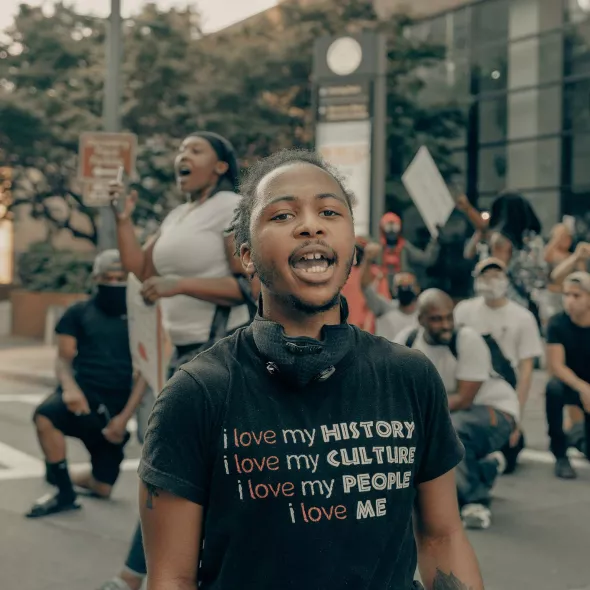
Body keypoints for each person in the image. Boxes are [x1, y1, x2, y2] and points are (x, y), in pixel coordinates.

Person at [138, 149, 483, 590]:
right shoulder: (197, 392)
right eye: (282, 216)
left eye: (328, 212)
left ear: (352, 249)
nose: (310, 225)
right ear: (246, 256)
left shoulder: (410, 376)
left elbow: (442, 536)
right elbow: (171, 577)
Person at [100, 131, 253, 590]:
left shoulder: (229, 207)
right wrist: (122, 220)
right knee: (175, 465)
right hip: (178, 352)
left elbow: (249, 285)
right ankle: (146, 573)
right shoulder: (177, 214)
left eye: (194, 150)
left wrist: (179, 285)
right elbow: (141, 272)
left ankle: (136, 575)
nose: (182, 156)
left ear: (221, 165)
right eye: (180, 151)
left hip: (220, 349)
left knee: (177, 465)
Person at [26, 250, 144, 518]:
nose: (114, 283)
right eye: (107, 277)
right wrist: (69, 388)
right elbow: (63, 360)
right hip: (83, 394)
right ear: (96, 278)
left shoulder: (140, 316)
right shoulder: (79, 312)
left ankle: (60, 473)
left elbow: (145, 373)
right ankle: (64, 492)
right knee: (45, 416)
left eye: (120, 277)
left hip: (113, 410)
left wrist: (123, 419)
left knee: (102, 488)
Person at [395, 290, 518, 530]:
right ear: (420, 320)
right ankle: (484, 468)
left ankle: (476, 501)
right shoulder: (406, 342)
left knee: (452, 429)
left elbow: (463, 399)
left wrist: (418, 416)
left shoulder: (466, 339)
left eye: (449, 317)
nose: (445, 325)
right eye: (436, 319)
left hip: (497, 411)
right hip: (448, 414)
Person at [454, 258, 543, 472]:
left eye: (496, 276)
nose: (490, 281)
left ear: (506, 279)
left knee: (510, 455)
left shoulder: (523, 317)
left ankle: (492, 460)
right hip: (468, 388)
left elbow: (526, 370)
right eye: (485, 276)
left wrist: (517, 419)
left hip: (502, 396)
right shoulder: (464, 311)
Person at [545, 271, 590, 479]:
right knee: (553, 388)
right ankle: (560, 453)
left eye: (577, 295)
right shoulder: (556, 323)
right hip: (571, 384)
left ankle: (578, 436)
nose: (570, 300)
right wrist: (584, 388)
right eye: (566, 294)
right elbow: (556, 365)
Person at [360, 241, 419, 341]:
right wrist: (368, 260)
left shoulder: (422, 314)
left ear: (417, 288)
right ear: (394, 290)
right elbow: (366, 287)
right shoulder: (384, 308)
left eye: (408, 286)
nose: (404, 290)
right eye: (400, 286)